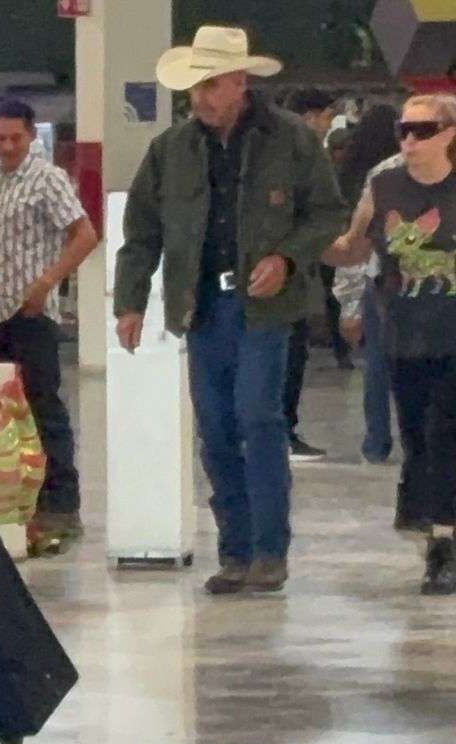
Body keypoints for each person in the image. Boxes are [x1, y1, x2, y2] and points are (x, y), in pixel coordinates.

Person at [114, 27, 347, 596]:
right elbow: (141, 233)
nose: (199, 97)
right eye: (194, 86)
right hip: (201, 306)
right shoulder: (170, 150)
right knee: (216, 428)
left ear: (240, 82)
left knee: (257, 416)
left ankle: (270, 550)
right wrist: (130, 302)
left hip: (265, 308)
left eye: (210, 84)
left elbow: (326, 213)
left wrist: (286, 259)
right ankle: (235, 552)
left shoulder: (291, 140)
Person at [325, 94, 456, 593]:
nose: (410, 140)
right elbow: (354, 248)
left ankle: (443, 542)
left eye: (423, 130)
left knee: (445, 433)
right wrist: (300, 243)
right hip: (404, 331)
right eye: (404, 129)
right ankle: (429, 525)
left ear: (449, 134)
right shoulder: (384, 183)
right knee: (417, 436)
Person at [0, 98, 98, 547]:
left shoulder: (47, 179)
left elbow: (84, 235)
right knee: (8, 413)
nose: (8, 146)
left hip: (33, 315)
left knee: (45, 408)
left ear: (31, 136)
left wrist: (47, 282)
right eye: (1, 138)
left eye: (16, 138)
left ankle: (62, 506)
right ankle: (22, 503)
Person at [334, 104, 404, 464]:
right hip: (385, 284)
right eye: (407, 130)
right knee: (378, 367)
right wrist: (350, 304)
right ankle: (377, 442)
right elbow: (356, 241)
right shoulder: (385, 175)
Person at [282, 89, 349, 464]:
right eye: (326, 116)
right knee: (288, 353)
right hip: (289, 270)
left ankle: (283, 429)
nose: (328, 123)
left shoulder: (300, 152)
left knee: (293, 350)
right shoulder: (296, 155)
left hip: (299, 267)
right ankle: (283, 432)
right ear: (309, 117)